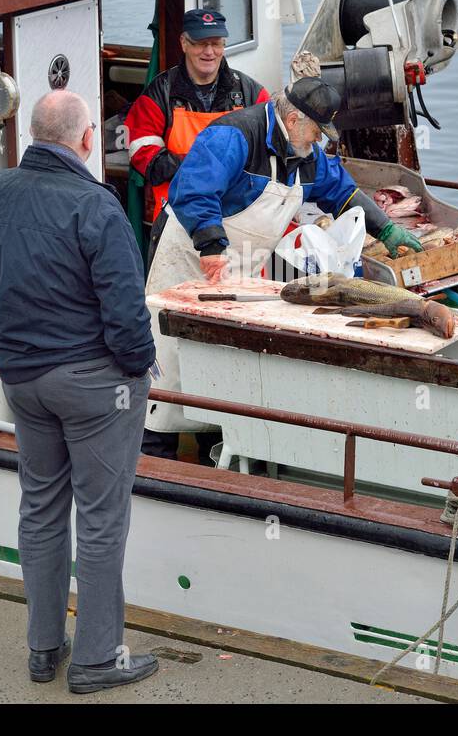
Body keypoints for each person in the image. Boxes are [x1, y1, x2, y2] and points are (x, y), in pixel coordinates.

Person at [0, 89, 160, 694]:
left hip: (22, 376)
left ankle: (44, 649)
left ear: (31, 136)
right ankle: (97, 658)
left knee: (39, 508)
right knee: (100, 518)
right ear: (86, 139)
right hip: (96, 386)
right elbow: (125, 315)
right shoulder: (96, 207)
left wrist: (10, 325)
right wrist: (141, 368)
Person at [140, 75, 425, 453]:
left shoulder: (307, 159)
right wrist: (210, 247)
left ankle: (214, 450)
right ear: (293, 121)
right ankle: (153, 457)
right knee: (169, 360)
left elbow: (343, 192)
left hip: (235, 272)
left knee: (219, 362)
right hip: (189, 257)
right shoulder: (235, 135)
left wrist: (386, 229)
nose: (319, 141)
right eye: (316, 132)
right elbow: (196, 191)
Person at [125, 8, 269, 225]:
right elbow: (141, 151)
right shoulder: (159, 92)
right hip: (175, 216)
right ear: (184, 43)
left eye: (216, 43)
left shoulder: (252, 93)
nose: (209, 52)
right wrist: (201, 169)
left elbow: (271, 148)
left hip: (238, 215)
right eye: (201, 43)